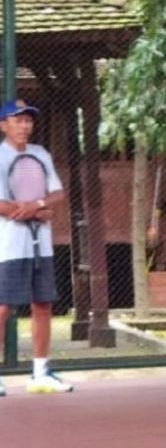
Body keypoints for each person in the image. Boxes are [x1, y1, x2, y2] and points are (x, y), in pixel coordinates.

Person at [0, 99, 73, 396]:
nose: (24, 125)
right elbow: (2, 205)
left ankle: (41, 373)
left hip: (41, 245)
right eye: (18, 120)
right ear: (4, 125)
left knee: (42, 305)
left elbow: (57, 194)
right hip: (8, 246)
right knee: (2, 308)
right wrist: (36, 212)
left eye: (28, 120)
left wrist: (37, 205)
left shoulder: (40, 154)